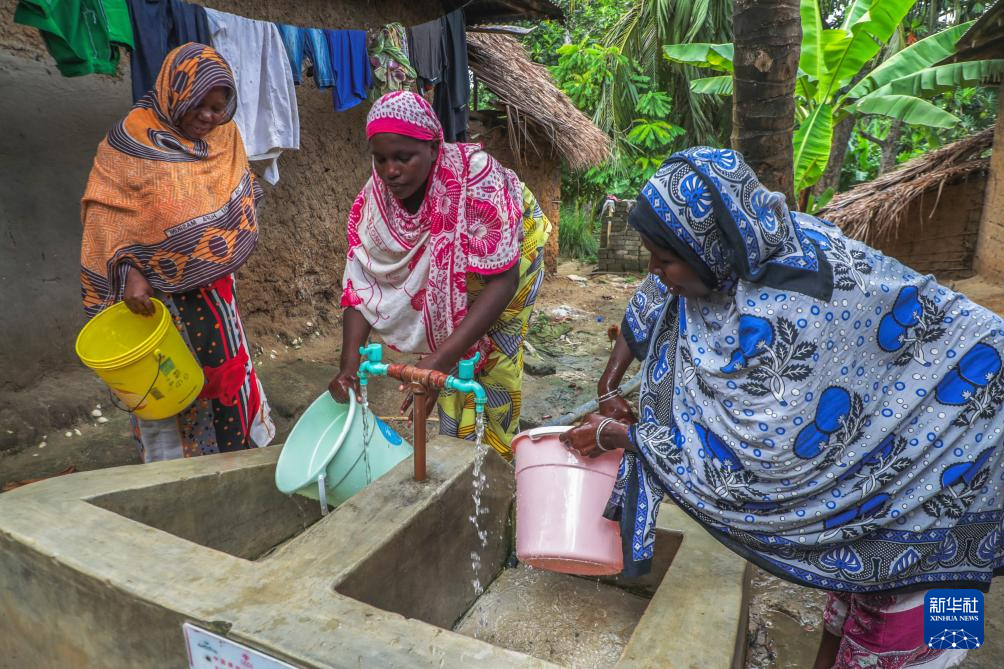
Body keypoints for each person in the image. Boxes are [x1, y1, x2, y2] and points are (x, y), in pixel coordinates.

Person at [561, 147, 1003, 668]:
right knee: (855, 598)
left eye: (666, 260)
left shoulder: (790, 311)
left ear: (709, 253)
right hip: (880, 491)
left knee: (915, 636)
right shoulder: (742, 239)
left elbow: (752, 468)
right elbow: (656, 302)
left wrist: (618, 437)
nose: (657, 273)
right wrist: (610, 383)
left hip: (956, 468)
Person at [329, 91, 550, 459]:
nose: (390, 171)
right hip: (453, 283)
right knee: (449, 357)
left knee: (492, 363)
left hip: (512, 261)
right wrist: (349, 365)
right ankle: (454, 450)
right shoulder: (375, 199)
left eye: (403, 158)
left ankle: (493, 467)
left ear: (433, 148)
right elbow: (361, 279)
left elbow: (503, 281)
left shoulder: (479, 181)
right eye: (380, 159)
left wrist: (438, 361)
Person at [80, 43, 274, 462]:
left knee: (224, 372)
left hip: (215, 294)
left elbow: (237, 195)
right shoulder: (128, 143)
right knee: (169, 381)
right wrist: (132, 267)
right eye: (199, 104)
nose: (209, 116)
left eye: (218, 107)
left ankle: (236, 456)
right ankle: (176, 471)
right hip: (158, 303)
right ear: (174, 93)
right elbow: (105, 215)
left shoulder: (226, 137)